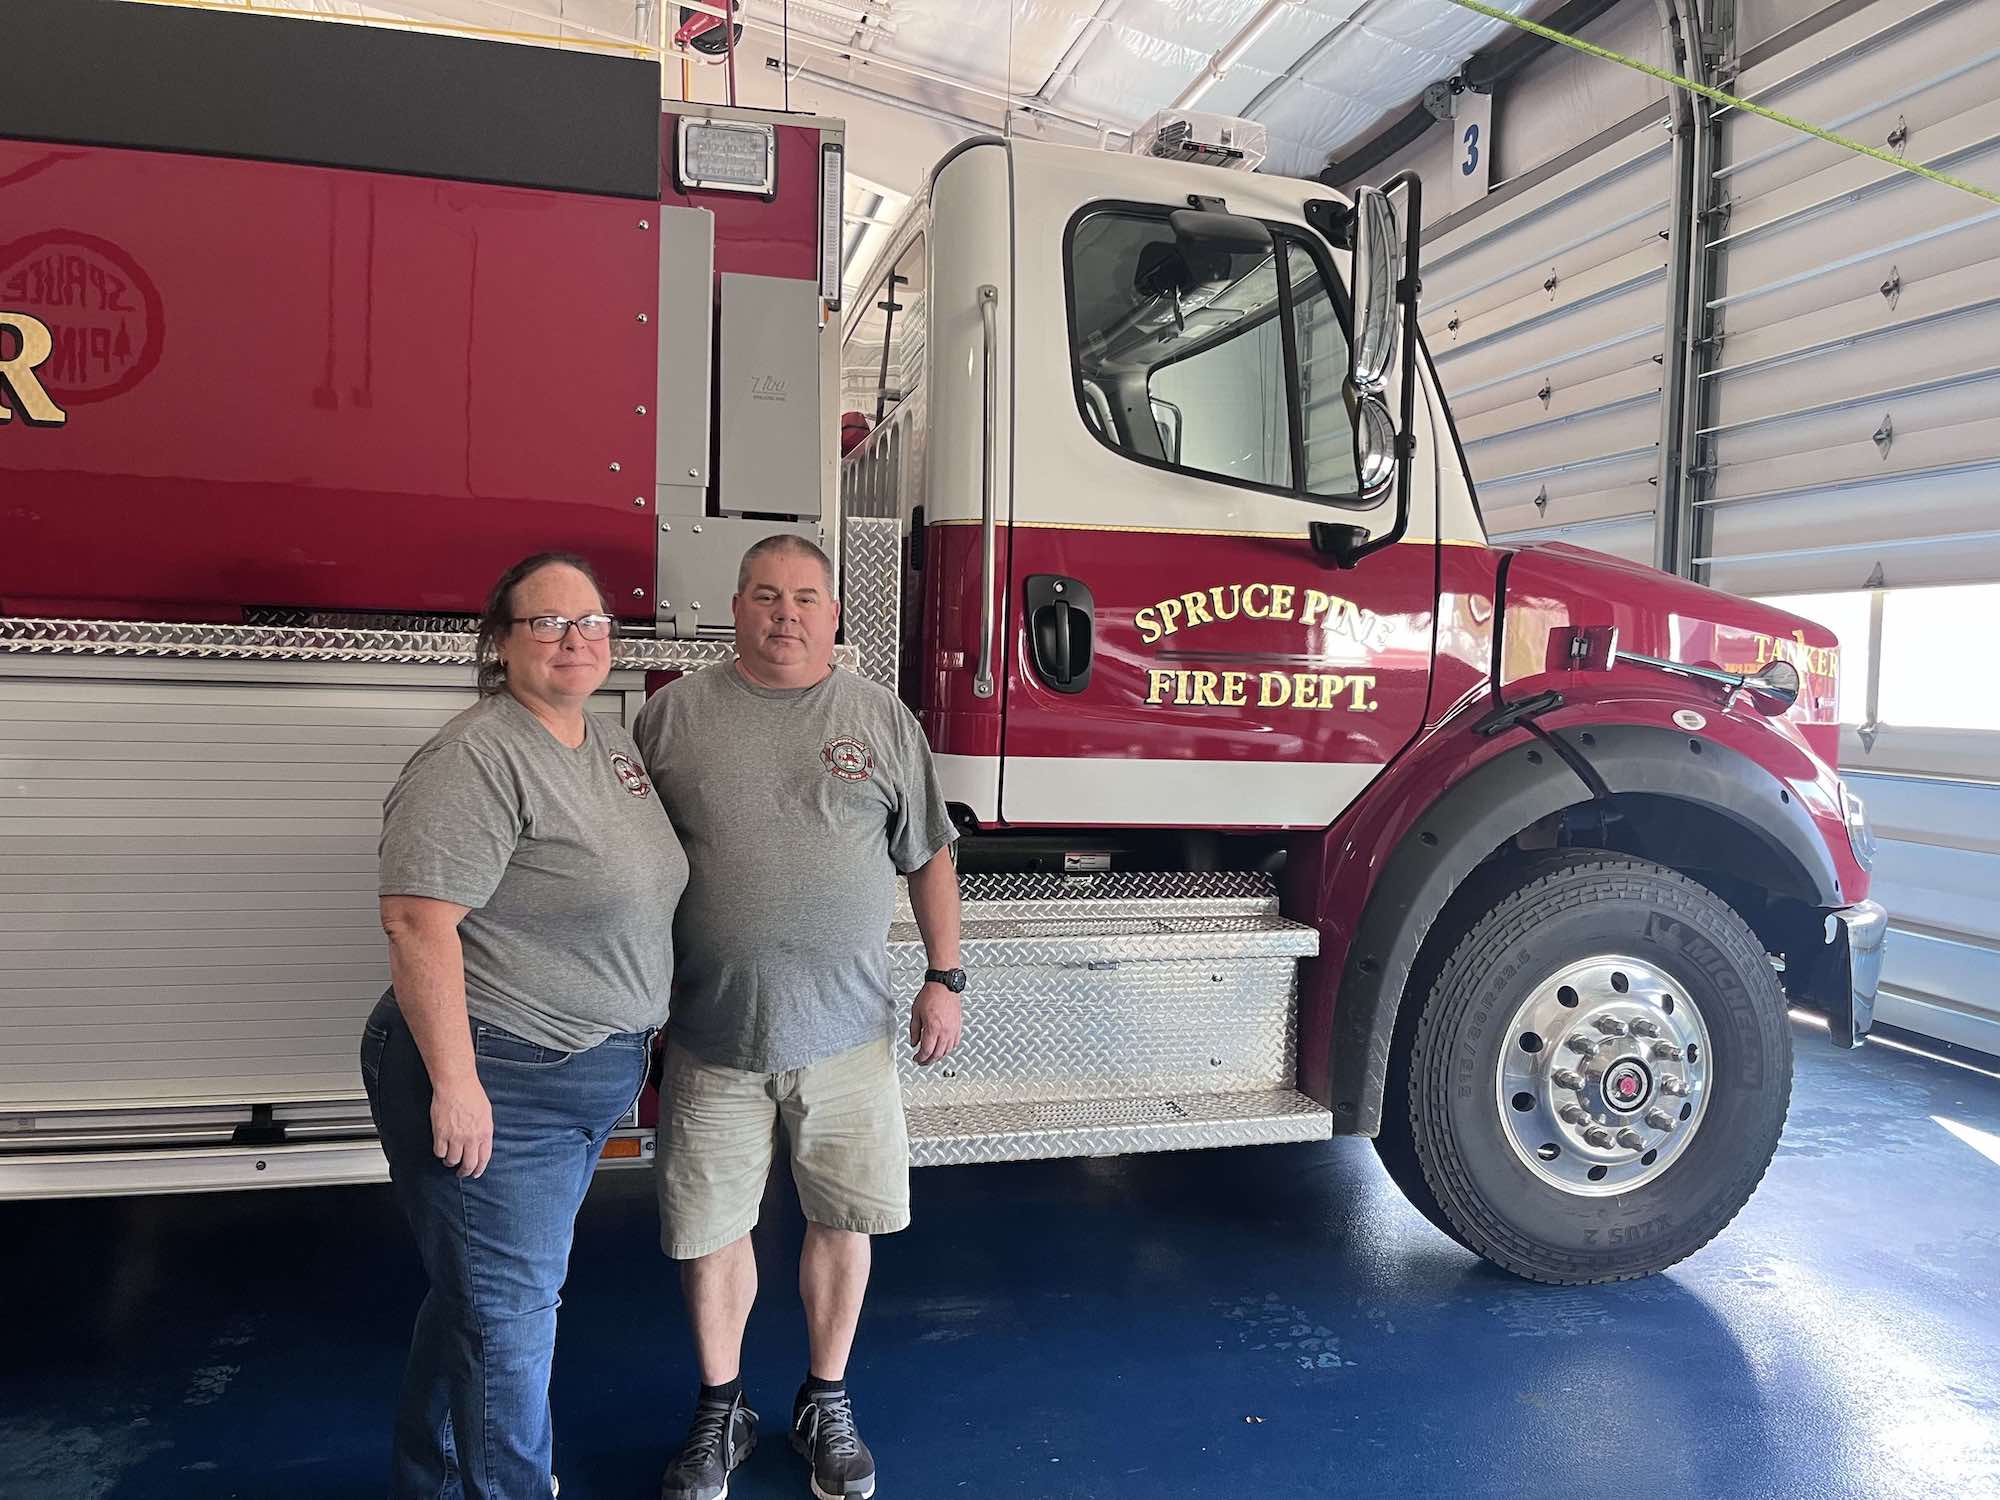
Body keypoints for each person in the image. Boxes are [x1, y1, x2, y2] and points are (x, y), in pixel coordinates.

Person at [633, 534, 964, 1500]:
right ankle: (719, 1409)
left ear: (833, 614)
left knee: (842, 1221)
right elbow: (624, 859)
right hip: (711, 1033)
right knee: (710, 1233)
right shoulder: (673, 718)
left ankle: (826, 1398)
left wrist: (946, 975)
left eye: (806, 598)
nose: (786, 613)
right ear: (735, 608)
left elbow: (930, 855)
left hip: (847, 1037)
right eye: (767, 595)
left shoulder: (879, 719)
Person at [361, 551, 689, 1499]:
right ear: (499, 642)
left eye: (590, 621)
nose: (574, 639)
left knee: (477, 1303)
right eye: (545, 623)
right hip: (500, 1072)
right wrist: (457, 1086)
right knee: (508, 1318)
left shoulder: (607, 742)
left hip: (583, 1073)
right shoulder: (478, 754)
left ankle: (433, 1479)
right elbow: (417, 919)